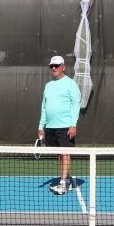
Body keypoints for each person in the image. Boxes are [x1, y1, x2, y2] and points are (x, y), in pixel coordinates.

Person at [38, 54, 81, 194]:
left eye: (56, 66)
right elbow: (44, 107)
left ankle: (63, 183)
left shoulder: (71, 84)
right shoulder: (48, 86)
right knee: (59, 154)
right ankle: (65, 179)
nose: (54, 68)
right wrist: (41, 127)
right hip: (50, 127)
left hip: (65, 126)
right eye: (52, 66)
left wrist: (73, 124)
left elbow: (76, 105)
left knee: (65, 153)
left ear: (64, 68)